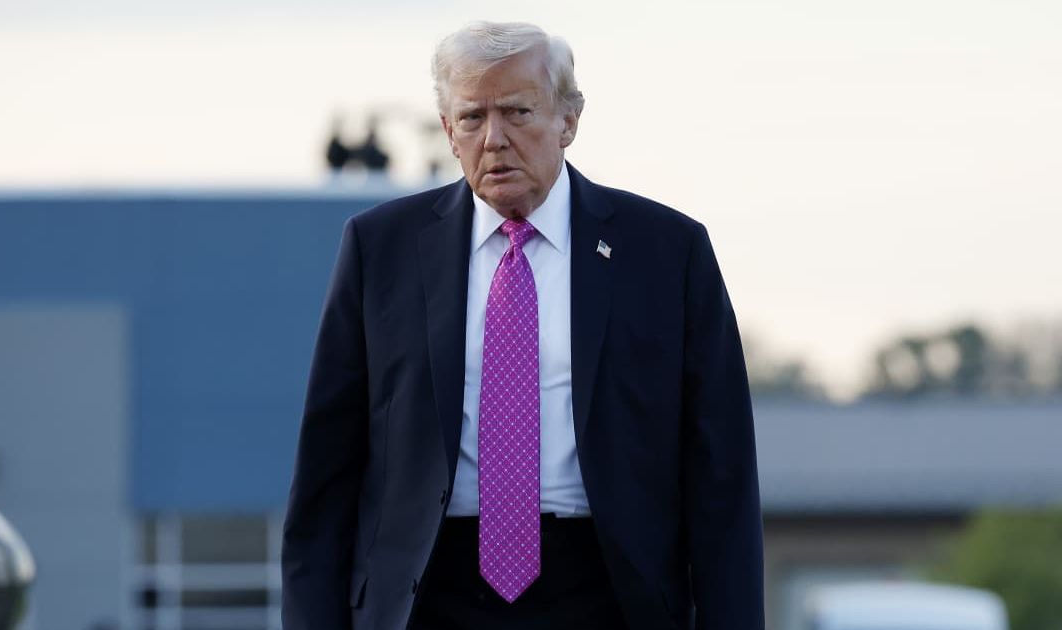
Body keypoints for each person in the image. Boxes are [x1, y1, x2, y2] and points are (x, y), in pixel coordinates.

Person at [282, 21, 763, 630]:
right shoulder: (381, 250)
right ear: (448, 132)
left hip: (610, 593)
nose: (495, 139)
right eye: (472, 118)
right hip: (426, 594)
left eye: (517, 112)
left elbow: (721, 478)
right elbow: (326, 475)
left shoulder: (668, 252)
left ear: (569, 120)